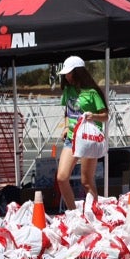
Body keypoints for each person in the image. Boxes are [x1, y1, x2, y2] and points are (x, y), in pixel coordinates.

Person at [55, 55, 109, 211]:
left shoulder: (92, 92)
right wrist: (66, 127)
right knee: (62, 177)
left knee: (86, 181)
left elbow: (105, 116)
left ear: (78, 72)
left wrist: (94, 116)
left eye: (69, 73)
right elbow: (67, 111)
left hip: (87, 139)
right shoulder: (68, 90)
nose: (66, 76)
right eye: (65, 73)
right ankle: (73, 213)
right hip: (71, 138)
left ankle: (94, 213)